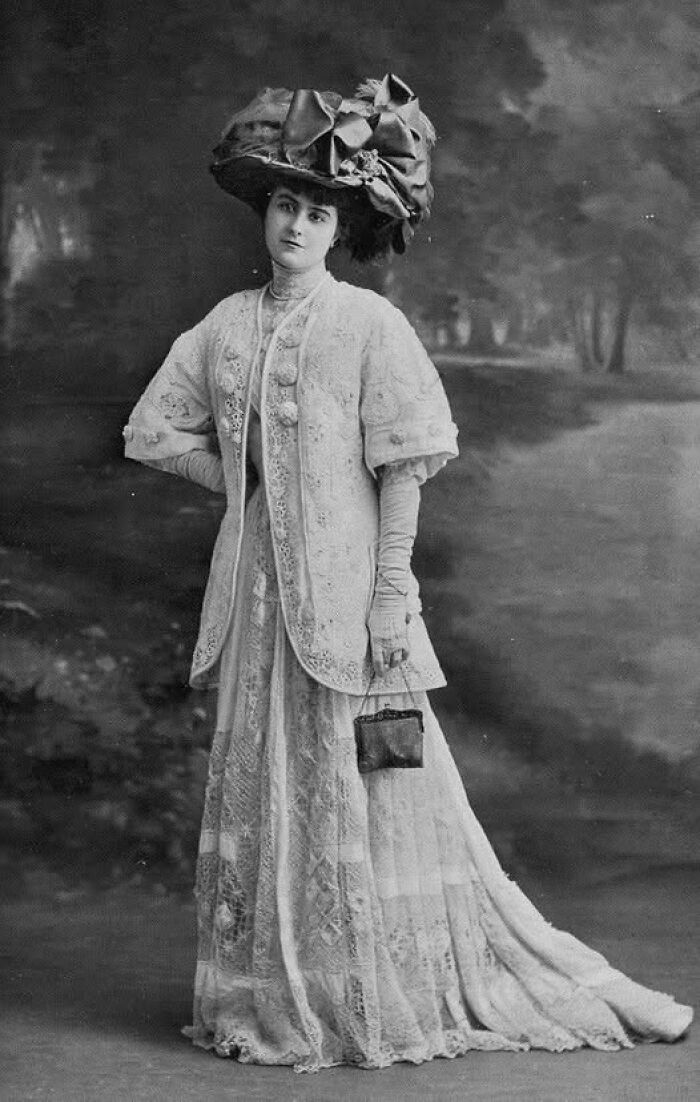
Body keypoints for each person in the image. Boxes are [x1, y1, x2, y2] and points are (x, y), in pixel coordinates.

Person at [123, 74, 692, 1073]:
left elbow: (404, 466)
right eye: (283, 206)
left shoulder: (368, 328)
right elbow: (148, 430)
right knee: (275, 780)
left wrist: (392, 589)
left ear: (338, 225)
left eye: (315, 209)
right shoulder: (222, 327)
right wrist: (244, 486)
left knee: (385, 781)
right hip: (258, 604)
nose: (296, 224)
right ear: (261, 216)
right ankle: (278, 993)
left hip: (352, 601)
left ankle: (407, 981)